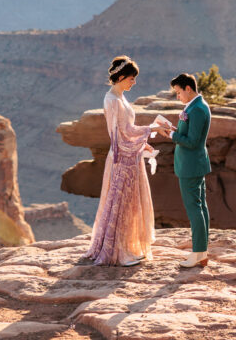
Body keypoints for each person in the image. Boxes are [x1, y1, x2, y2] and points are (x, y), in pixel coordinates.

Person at [86, 55, 159, 266]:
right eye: (131, 78)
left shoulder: (120, 97)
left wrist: (143, 142)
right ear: (121, 77)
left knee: (129, 204)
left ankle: (127, 247)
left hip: (129, 156)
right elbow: (119, 135)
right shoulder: (111, 100)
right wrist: (151, 129)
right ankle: (119, 252)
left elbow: (128, 130)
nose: (134, 82)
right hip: (121, 159)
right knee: (120, 204)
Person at [156, 73, 211, 268]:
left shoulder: (197, 109)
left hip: (190, 166)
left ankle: (198, 253)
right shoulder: (195, 106)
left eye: (179, 92)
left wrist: (170, 135)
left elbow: (192, 141)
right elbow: (188, 134)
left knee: (194, 208)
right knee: (200, 207)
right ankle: (202, 252)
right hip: (194, 164)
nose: (178, 96)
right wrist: (173, 128)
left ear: (188, 88)